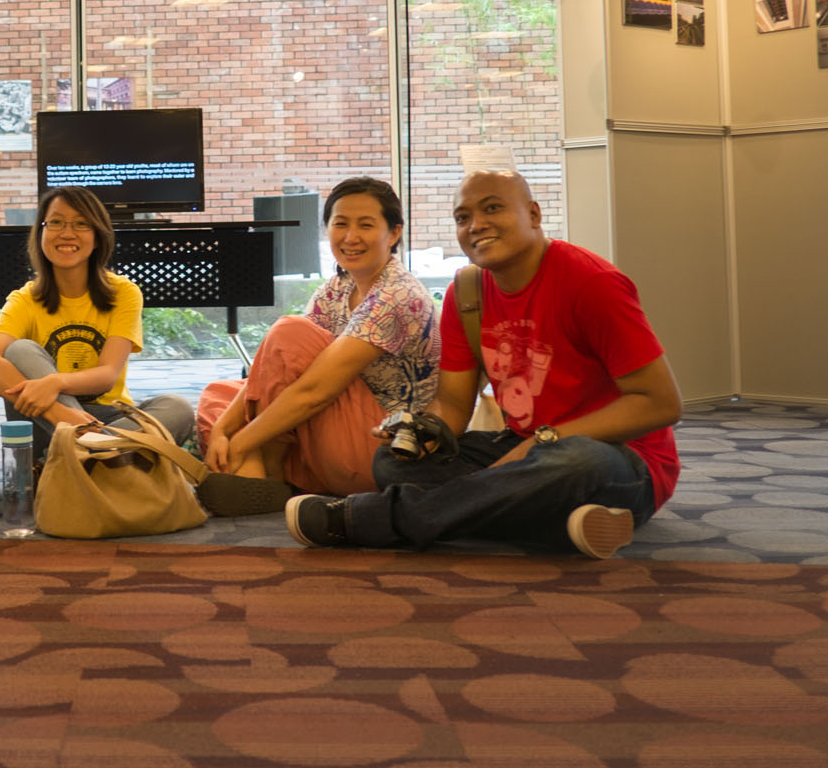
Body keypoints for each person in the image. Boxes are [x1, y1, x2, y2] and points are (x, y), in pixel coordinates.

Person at [286, 169, 682, 559]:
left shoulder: (591, 282)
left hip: (618, 459)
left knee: (577, 462)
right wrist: (424, 431)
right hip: (521, 450)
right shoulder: (469, 291)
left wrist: (543, 441)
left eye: (492, 208)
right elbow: (455, 406)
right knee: (394, 463)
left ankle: (376, 519)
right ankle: (562, 523)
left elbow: (661, 403)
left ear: (534, 215)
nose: (476, 225)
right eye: (463, 217)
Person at [196, 177, 440, 515]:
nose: (350, 237)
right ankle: (264, 480)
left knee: (290, 333)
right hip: (333, 433)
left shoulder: (397, 296)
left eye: (366, 225)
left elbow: (314, 391)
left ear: (394, 233)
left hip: (382, 449)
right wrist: (223, 426)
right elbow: (271, 374)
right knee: (220, 394)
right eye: (340, 224)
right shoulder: (338, 288)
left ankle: (255, 475)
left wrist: (238, 441)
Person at [0, 185, 195, 457]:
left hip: (108, 416)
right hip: (46, 421)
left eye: (81, 223)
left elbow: (106, 376)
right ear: (41, 232)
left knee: (178, 408)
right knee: (19, 350)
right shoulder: (25, 299)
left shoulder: (123, 293)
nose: (67, 233)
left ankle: (84, 458)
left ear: (97, 235)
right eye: (56, 222)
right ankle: (105, 456)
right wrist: (62, 416)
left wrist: (55, 383)